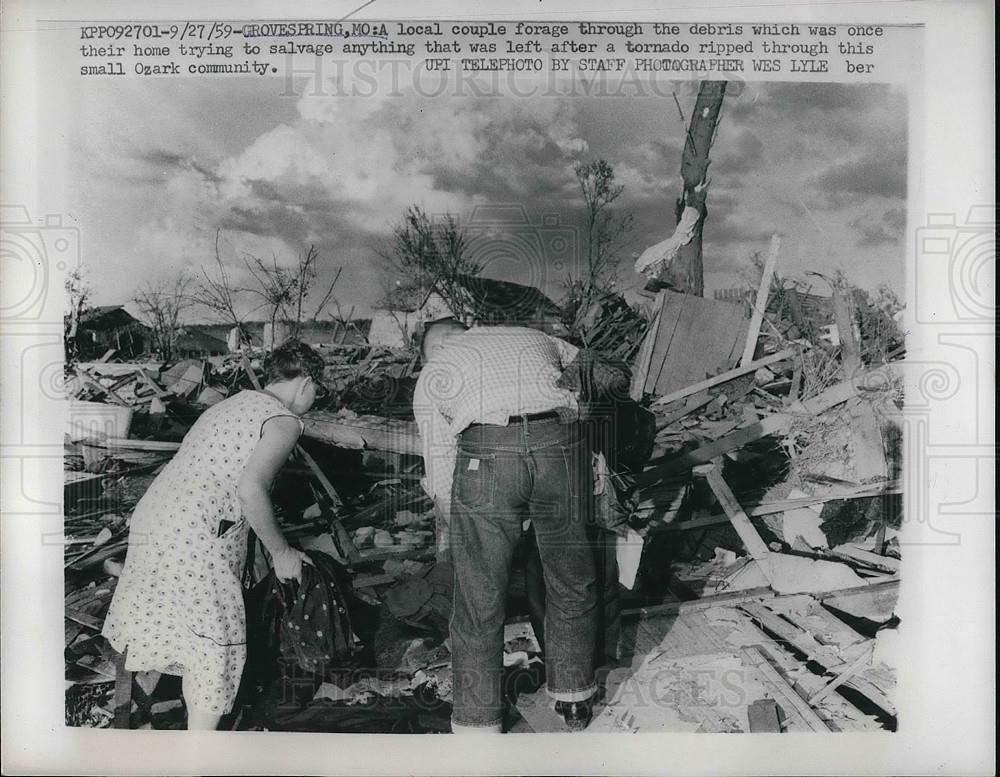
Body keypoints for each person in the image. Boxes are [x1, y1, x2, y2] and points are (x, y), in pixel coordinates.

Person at [102, 340, 327, 730]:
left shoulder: (231, 403)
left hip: (156, 517)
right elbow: (251, 490)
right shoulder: (283, 420)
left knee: (180, 632)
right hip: (197, 531)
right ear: (305, 382)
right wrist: (282, 552)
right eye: (317, 391)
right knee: (213, 645)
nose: (315, 400)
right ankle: (201, 753)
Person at [413, 319, 598, 733]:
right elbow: (593, 369)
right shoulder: (535, 336)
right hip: (560, 443)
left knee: (479, 594)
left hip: (487, 452)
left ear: (437, 348)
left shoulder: (434, 372)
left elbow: (439, 457)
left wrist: (457, 529)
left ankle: (478, 723)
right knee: (570, 577)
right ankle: (574, 700)